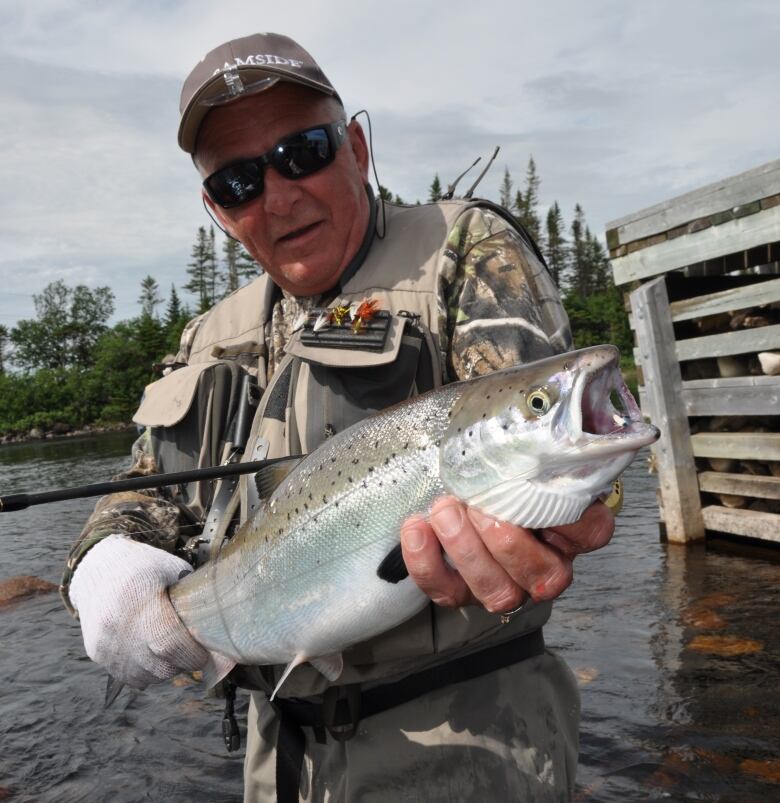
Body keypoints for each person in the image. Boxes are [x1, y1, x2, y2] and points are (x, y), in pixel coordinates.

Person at [61, 33, 614, 802]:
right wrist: (103, 560)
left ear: (355, 146)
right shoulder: (208, 338)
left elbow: (534, 439)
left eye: (303, 152)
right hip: (275, 760)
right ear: (216, 210)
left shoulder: (464, 252)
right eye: (239, 181)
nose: (278, 195)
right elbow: (147, 490)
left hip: (470, 743)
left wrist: (566, 509)